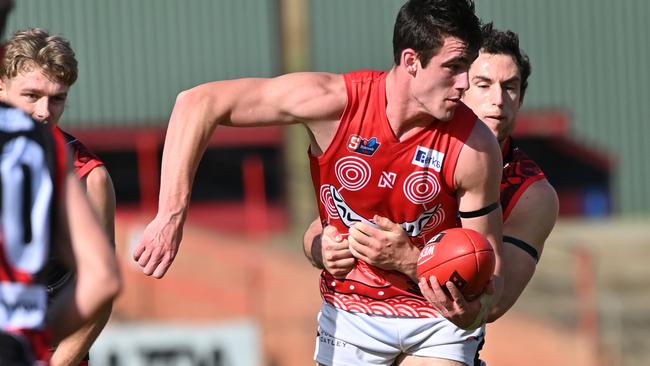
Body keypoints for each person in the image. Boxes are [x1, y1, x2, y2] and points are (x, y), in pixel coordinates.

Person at [134, 0, 504, 365]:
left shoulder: (475, 147)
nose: (463, 84)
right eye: (453, 68)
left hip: (434, 322)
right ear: (411, 61)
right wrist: (170, 214)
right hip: (350, 314)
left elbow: (488, 283)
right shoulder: (335, 103)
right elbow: (198, 103)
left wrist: (410, 262)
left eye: (467, 69)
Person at [303, 22, 559, 364]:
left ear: (521, 98)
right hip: (358, 318)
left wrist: (411, 262)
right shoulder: (409, 138)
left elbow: (491, 304)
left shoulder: (532, 194)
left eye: (510, 87)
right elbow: (323, 228)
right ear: (459, 84)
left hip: (440, 330)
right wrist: (322, 248)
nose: (498, 100)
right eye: (483, 84)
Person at [0, 28, 117, 366]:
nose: (43, 111)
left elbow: (99, 294)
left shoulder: (88, 177)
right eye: (31, 95)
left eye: (57, 98)